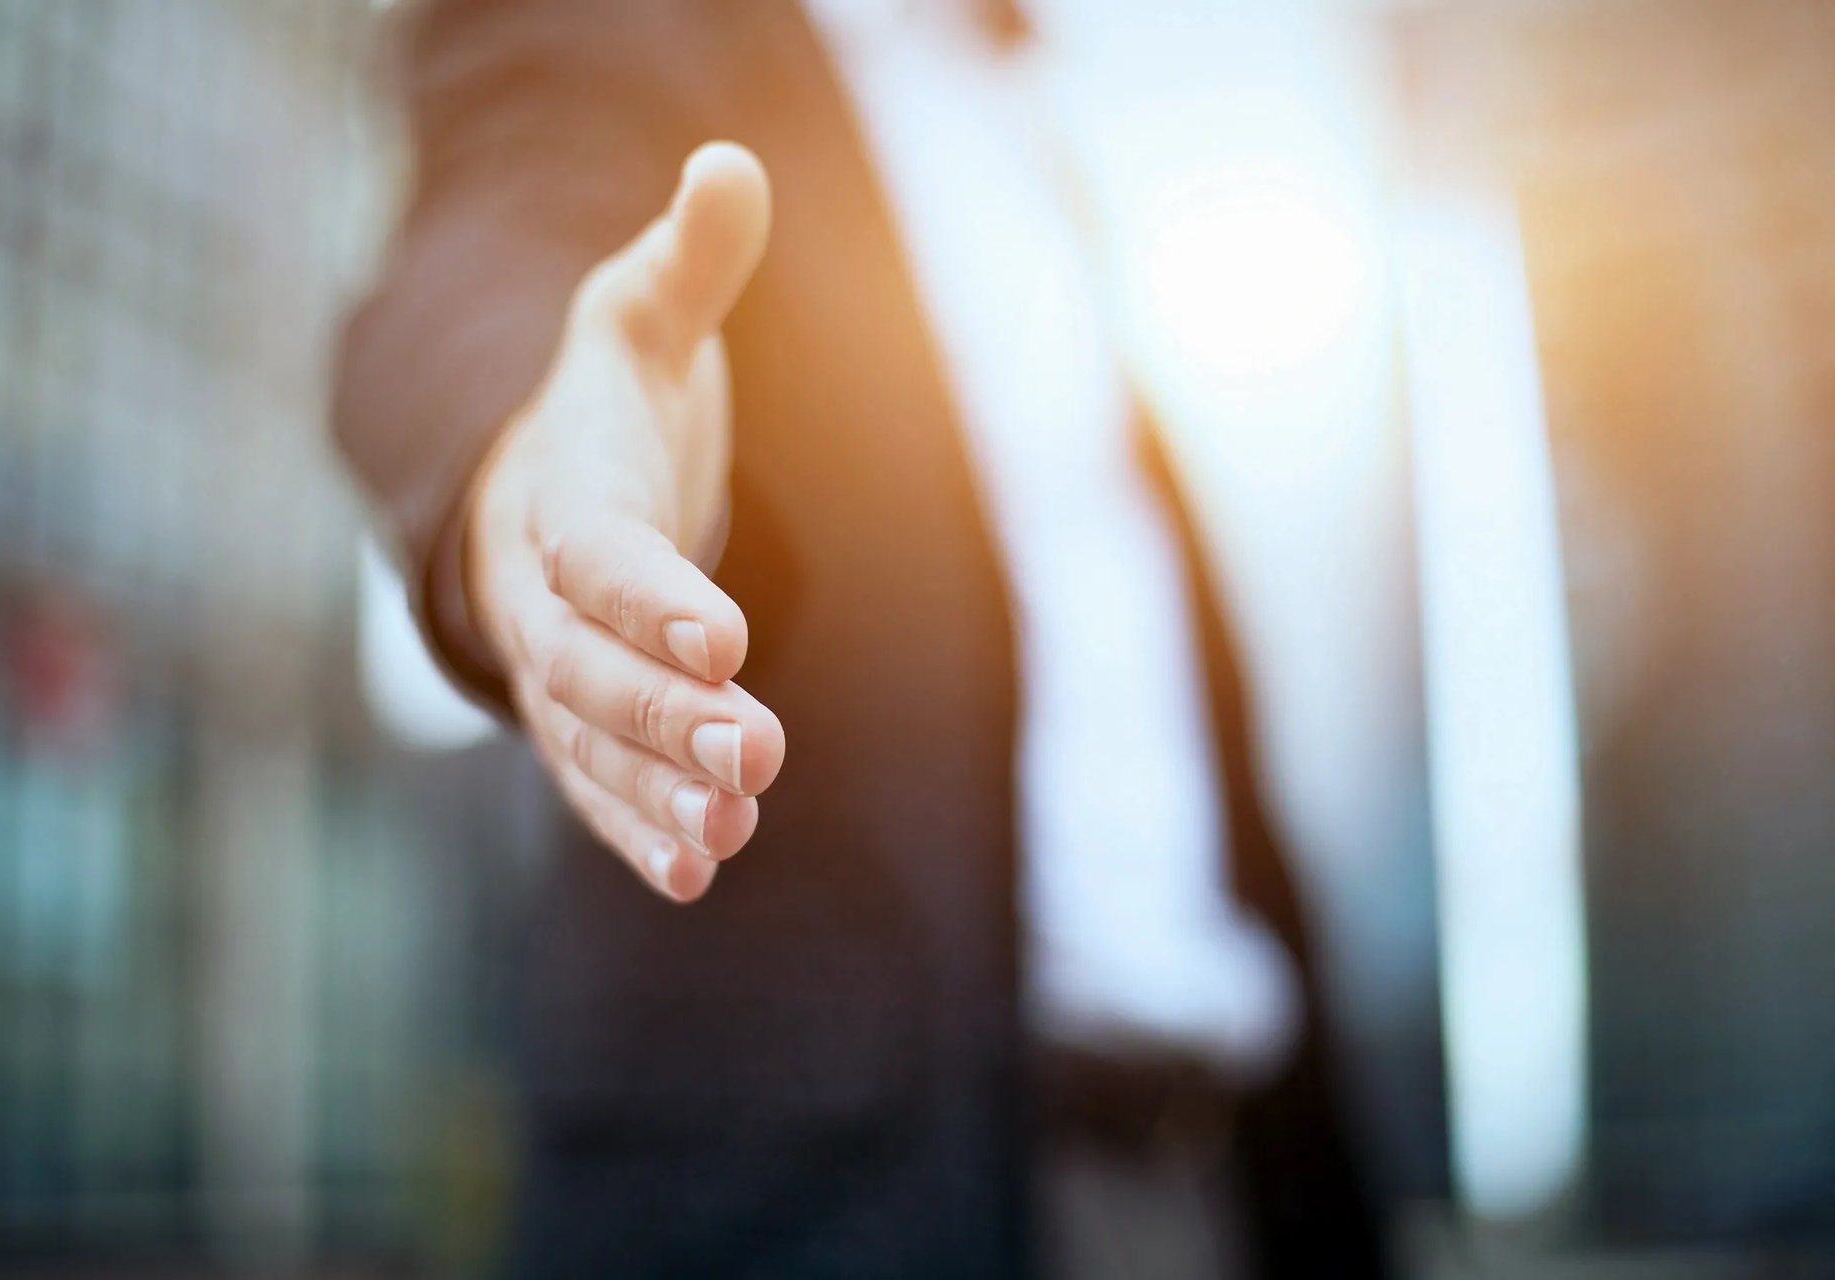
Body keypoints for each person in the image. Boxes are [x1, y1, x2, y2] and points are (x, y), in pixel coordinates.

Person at [332, 1, 1381, 1275]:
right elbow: (500, 232)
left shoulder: (1035, 135)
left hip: (1211, 1183)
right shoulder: (638, 29)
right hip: (824, 1202)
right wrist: (540, 450)